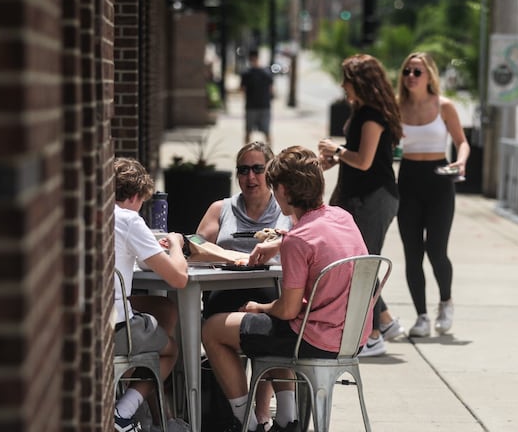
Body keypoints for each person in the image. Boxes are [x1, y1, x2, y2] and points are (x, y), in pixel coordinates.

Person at [201, 146, 369, 432]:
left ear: (283, 190)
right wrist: (279, 243)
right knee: (271, 326)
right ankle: (286, 419)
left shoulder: (297, 240)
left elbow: (287, 309)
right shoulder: (342, 217)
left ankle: (247, 423)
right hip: (352, 337)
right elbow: (315, 238)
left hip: (313, 339)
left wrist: (259, 307)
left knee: (214, 329)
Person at [195, 141, 292, 428]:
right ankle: (247, 418)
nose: (250, 177)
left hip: (270, 292)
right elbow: (196, 244)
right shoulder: (222, 208)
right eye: (243, 170)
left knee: (275, 324)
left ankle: (282, 418)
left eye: (258, 169)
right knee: (211, 323)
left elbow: (303, 245)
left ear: (270, 172)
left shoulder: (285, 210)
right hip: (225, 291)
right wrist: (226, 254)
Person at [317, 53, 405, 357]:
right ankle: (384, 320)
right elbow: (357, 157)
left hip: (374, 198)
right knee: (358, 263)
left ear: (361, 82)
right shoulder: (362, 111)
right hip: (362, 196)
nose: (343, 85)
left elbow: (364, 161)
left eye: (347, 79)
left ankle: (374, 335)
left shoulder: (371, 115)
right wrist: (334, 158)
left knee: (362, 266)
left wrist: (337, 150)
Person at [396, 52, 470, 337]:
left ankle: (446, 302)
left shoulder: (444, 106)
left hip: (440, 179)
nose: (411, 77)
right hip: (409, 179)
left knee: (436, 250)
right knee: (412, 253)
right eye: (407, 72)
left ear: (429, 76)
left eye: (417, 72)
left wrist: (460, 161)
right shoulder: (397, 107)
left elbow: (462, 142)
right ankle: (422, 316)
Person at [113, 157, 189, 432]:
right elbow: (178, 278)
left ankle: (155, 415)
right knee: (170, 351)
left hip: (88, 318)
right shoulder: (130, 220)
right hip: (116, 329)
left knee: (164, 309)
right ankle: (123, 411)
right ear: (135, 196)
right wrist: (176, 244)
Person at [241, 49, 274, 146]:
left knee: (248, 131)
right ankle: (271, 156)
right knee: (267, 132)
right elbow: (271, 89)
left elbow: (242, 89)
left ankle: (245, 154)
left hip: (251, 106)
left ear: (249, 59)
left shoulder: (246, 73)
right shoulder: (266, 72)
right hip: (264, 105)